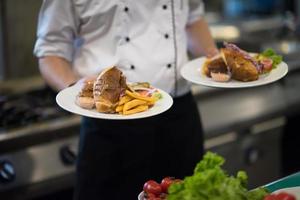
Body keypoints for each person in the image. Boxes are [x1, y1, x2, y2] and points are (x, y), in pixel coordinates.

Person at [34, 1, 218, 199]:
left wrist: (216, 59)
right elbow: (50, 51)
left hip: (179, 118)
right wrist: (75, 87)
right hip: (109, 125)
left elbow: (192, 20)